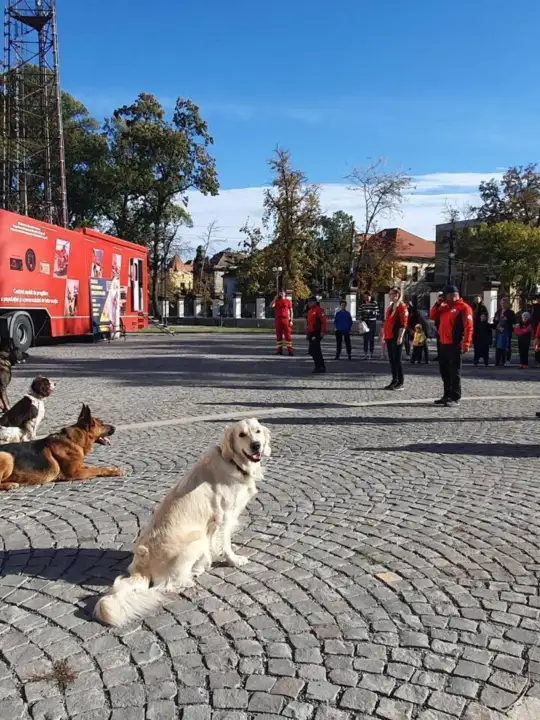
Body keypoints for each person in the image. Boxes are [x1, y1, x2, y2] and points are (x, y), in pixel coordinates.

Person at [430, 285, 473, 407]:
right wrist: (438, 304)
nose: (443, 298)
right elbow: (433, 316)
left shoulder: (463, 308)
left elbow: (468, 327)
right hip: (443, 343)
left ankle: (455, 396)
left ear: (452, 295)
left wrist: (466, 343)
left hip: (455, 343)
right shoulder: (444, 307)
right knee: (444, 371)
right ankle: (447, 394)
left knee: (454, 371)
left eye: (445, 295)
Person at [383, 287, 408, 390]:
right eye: (389, 294)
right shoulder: (390, 307)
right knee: (392, 360)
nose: (390, 296)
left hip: (396, 336)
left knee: (397, 359)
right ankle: (394, 380)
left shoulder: (402, 307)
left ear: (397, 295)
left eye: (392, 294)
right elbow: (387, 322)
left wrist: (400, 336)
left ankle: (400, 381)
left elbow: (404, 323)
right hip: (389, 336)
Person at [492, 297, 516, 366]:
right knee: (498, 346)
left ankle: (506, 360)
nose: (502, 304)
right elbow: (495, 321)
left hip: (506, 331)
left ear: (507, 304)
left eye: (504, 303)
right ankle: (497, 361)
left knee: (506, 346)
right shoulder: (498, 311)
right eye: (501, 303)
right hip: (498, 331)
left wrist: (507, 319)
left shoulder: (510, 312)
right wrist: (495, 320)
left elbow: (514, 321)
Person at [306, 296, 327, 373]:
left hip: (317, 332)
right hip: (311, 332)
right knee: (312, 351)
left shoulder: (319, 310)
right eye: (308, 302)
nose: (309, 303)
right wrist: (308, 333)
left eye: (310, 302)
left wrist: (322, 331)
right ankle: (318, 365)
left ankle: (320, 366)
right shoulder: (310, 311)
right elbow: (309, 323)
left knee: (316, 350)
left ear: (314, 302)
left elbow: (323, 321)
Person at [271, 290, 293, 356]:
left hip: (286, 319)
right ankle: (279, 350)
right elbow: (271, 305)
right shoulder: (277, 301)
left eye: (282, 293)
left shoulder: (288, 301)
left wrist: (291, 320)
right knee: (279, 335)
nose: (281, 294)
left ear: (285, 294)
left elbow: (291, 311)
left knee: (288, 336)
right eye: (280, 293)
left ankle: (290, 351)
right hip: (278, 319)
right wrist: (275, 298)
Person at [360, 291, 378, 359]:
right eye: (365, 297)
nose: (366, 298)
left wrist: (369, 312)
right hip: (365, 323)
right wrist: (362, 317)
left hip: (372, 322)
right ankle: (365, 354)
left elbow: (377, 313)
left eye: (367, 297)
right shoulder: (362, 304)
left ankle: (371, 353)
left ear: (370, 296)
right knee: (365, 338)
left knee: (371, 338)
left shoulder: (374, 304)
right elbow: (360, 313)